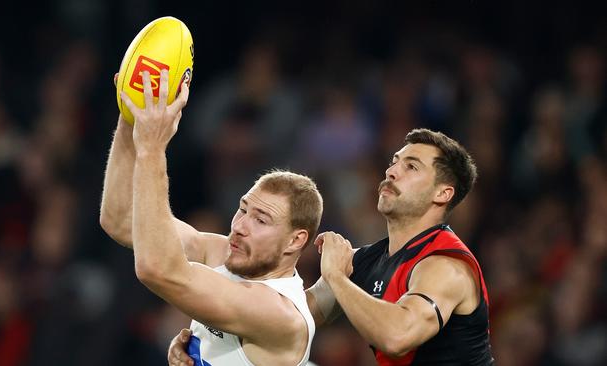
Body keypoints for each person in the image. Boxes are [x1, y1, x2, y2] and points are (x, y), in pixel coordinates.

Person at [170, 129, 494, 365]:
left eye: (411, 167)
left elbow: (398, 337)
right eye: (395, 161)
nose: (392, 170)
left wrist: (337, 278)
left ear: (443, 194)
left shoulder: (445, 267)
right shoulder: (370, 260)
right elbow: (296, 316)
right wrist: (210, 347)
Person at [99, 69, 322, 366]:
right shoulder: (222, 253)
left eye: (261, 220)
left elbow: (157, 269)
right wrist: (132, 116)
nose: (241, 226)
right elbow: (121, 218)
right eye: (243, 210)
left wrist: (152, 148)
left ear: (296, 240)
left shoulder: (279, 313)